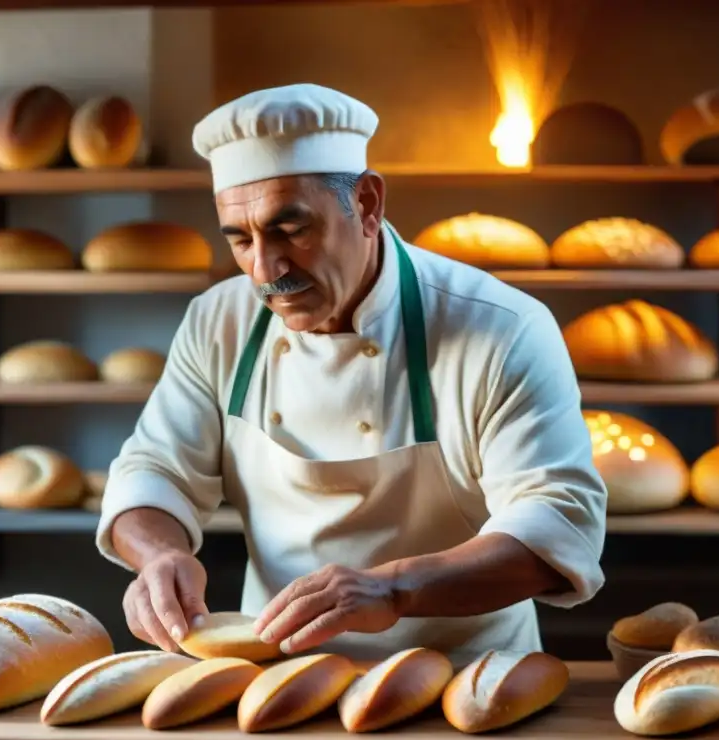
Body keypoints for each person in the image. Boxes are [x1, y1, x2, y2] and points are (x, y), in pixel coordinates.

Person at [96, 83, 607, 664]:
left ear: (366, 204)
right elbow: (154, 469)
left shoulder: (502, 328)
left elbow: (556, 524)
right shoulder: (221, 320)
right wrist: (160, 555)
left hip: (467, 682)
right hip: (274, 677)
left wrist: (391, 589)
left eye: (291, 229)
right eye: (241, 239)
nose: (267, 270)